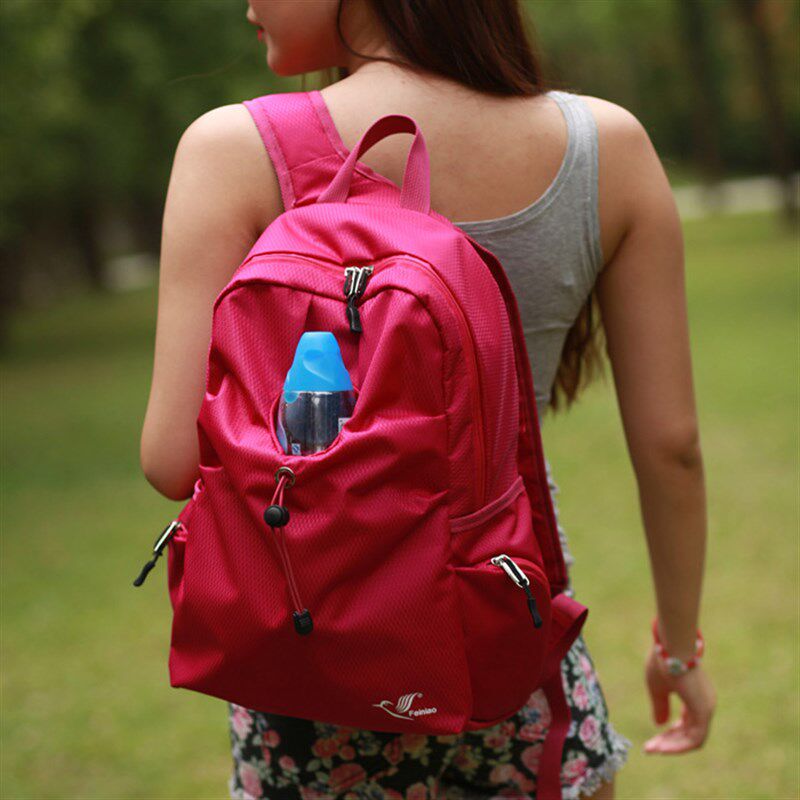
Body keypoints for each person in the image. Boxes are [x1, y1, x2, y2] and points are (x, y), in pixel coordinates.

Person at [140, 1, 716, 797]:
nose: (248, 4)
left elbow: (173, 459)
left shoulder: (234, 148)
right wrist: (678, 650)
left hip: (309, 671)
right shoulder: (604, 146)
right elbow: (672, 446)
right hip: (506, 645)